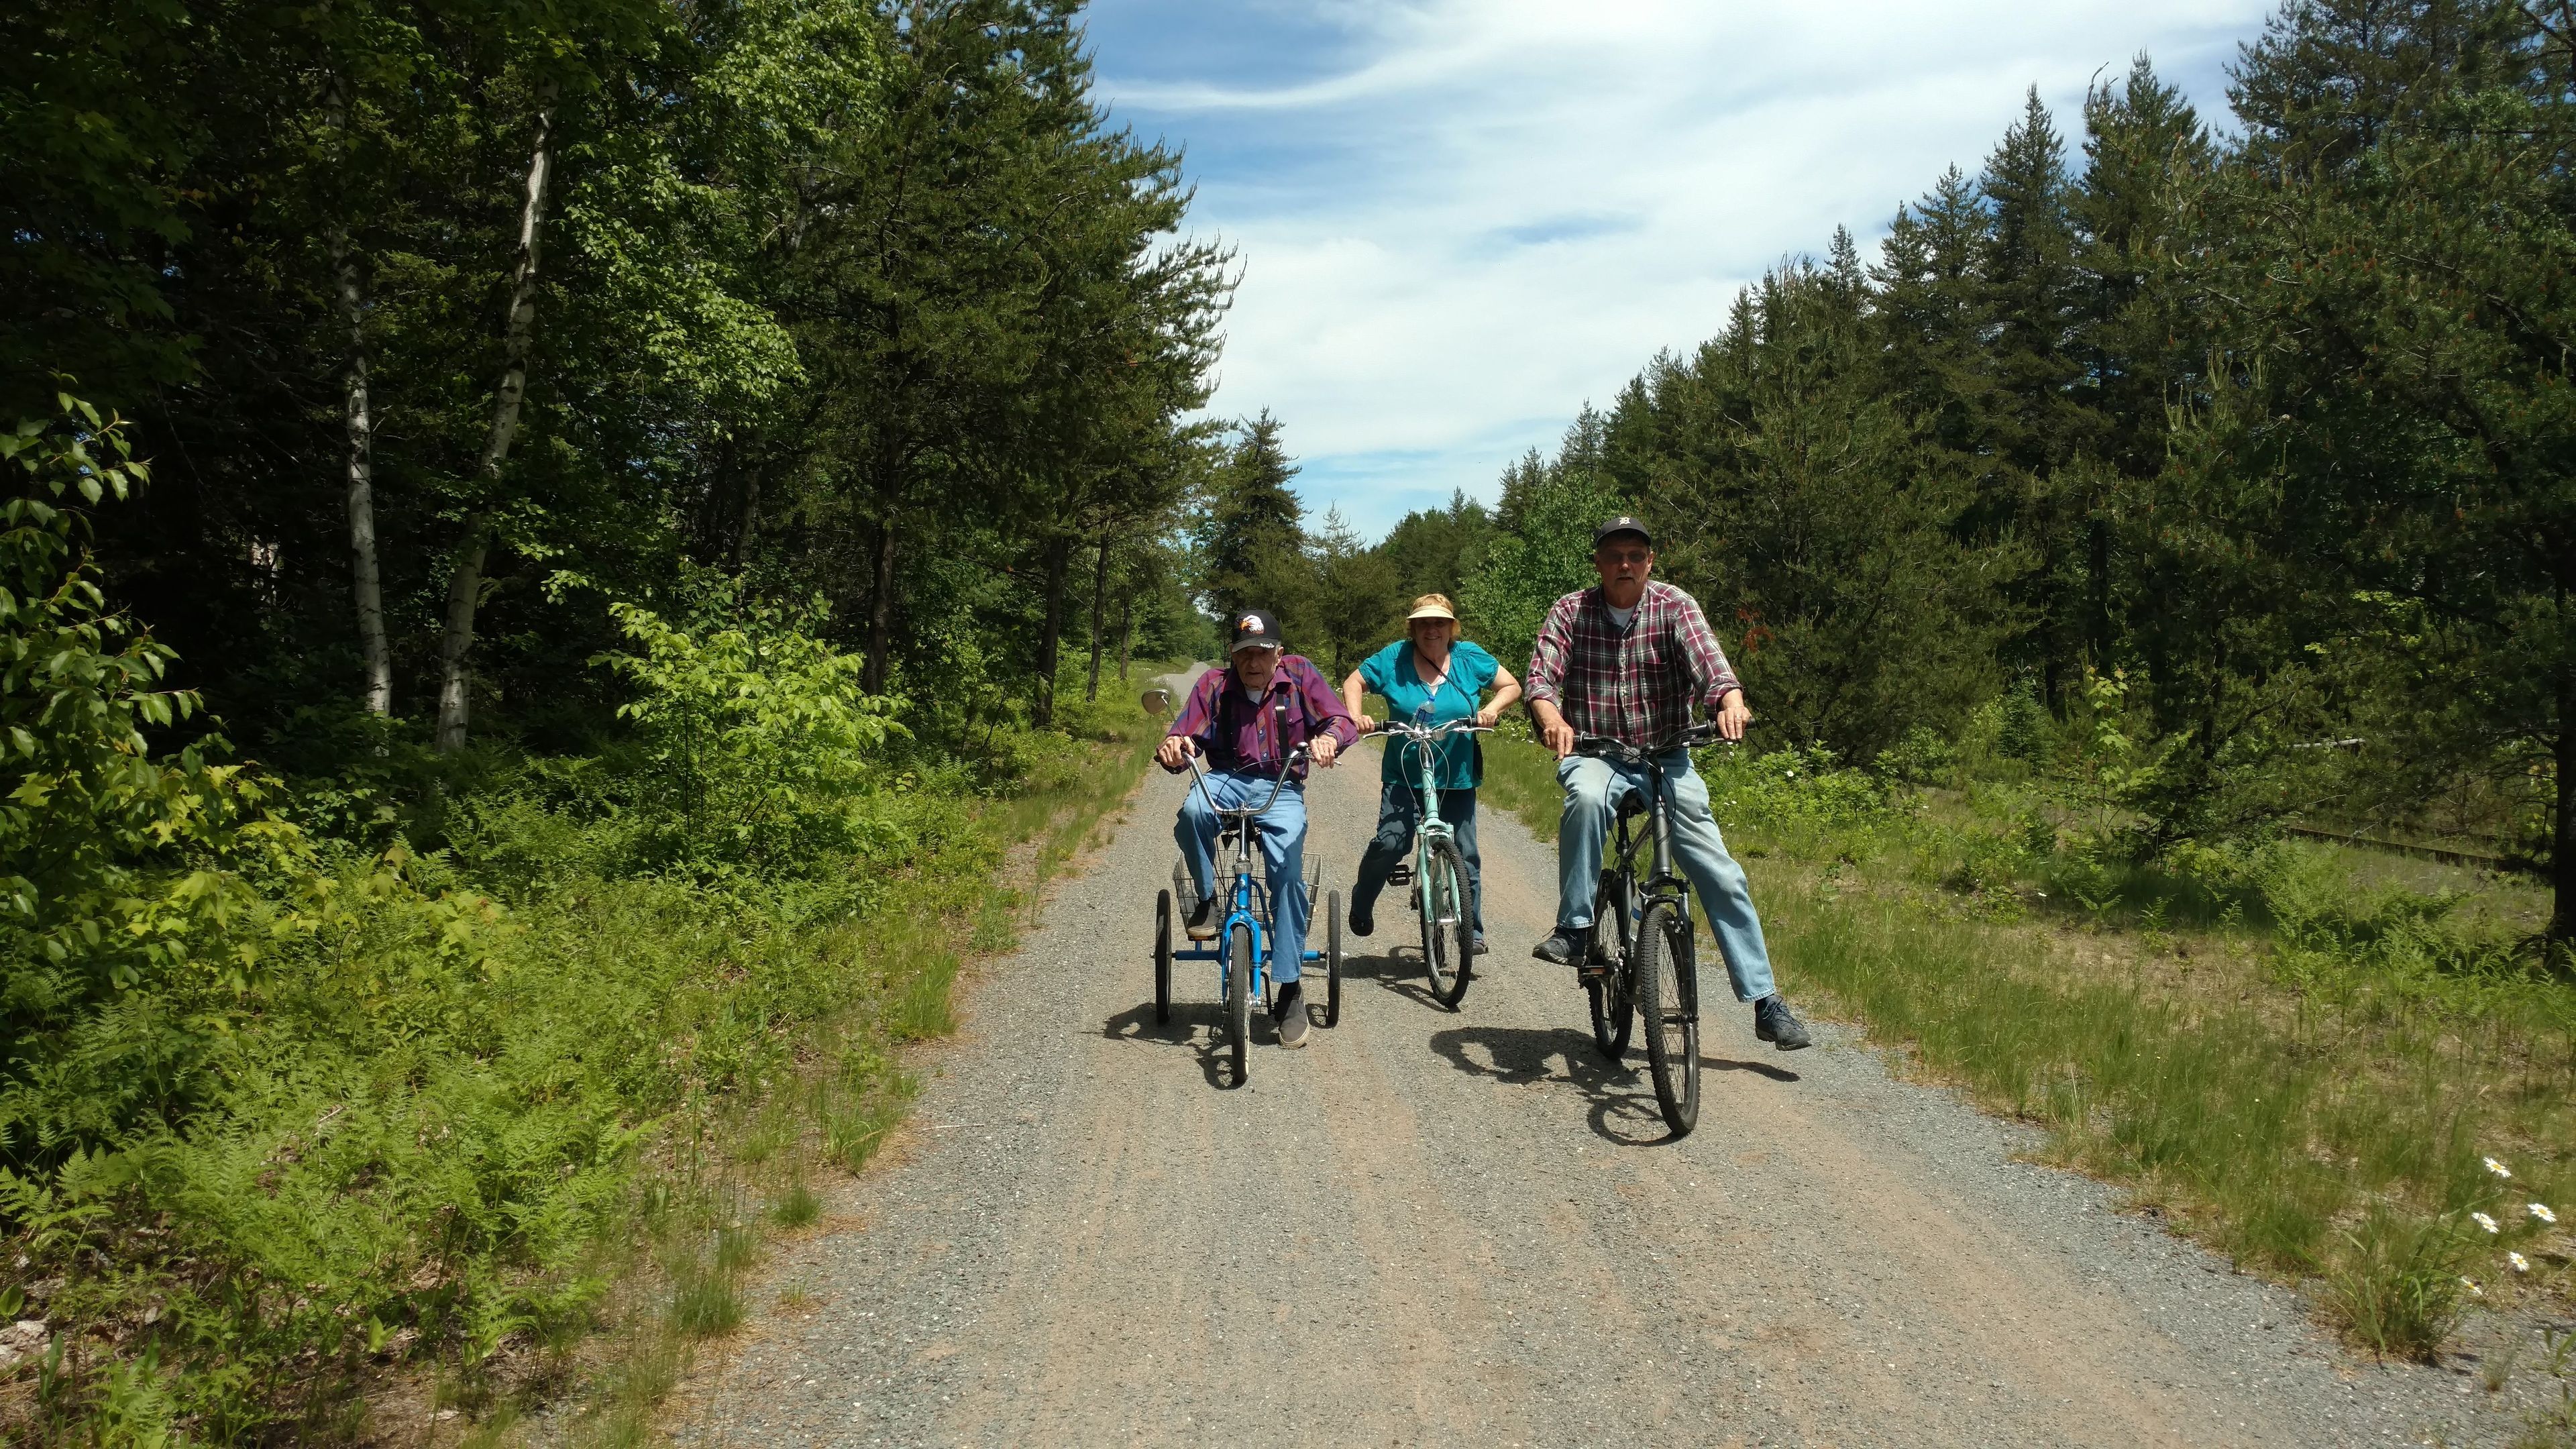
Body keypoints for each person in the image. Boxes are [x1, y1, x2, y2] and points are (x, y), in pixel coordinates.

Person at [1523, 517, 1813, 1051]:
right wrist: (1552, 719)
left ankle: (1766, 1001)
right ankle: (1576, 928)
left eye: (1636, 555)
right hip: (1596, 752)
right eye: (1615, 556)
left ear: (1651, 561)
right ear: (1599, 564)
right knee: (1585, 798)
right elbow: (1542, 678)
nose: (1626, 565)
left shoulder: (1675, 606)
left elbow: (1714, 670)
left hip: (1667, 755)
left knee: (1720, 873)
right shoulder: (1571, 610)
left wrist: (1730, 705)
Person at [1157, 609, 1358, 1049]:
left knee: (1287, 872)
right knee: (1193, 813)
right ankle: (1207, 900)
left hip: (1281, 782)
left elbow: (1341, 720)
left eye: (1262, 652)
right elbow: (1181, 735)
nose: (1253, 661)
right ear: (1232, 655)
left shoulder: (1301, 675)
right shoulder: (1213, 683)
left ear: (1278, 654)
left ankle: (1288, 990)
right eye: (1244, 652)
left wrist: (1329, 739)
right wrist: (1175, 746)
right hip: (1225, 778)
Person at [1340, 594, 1522, 953]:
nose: (1432, 629)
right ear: (1413, 628)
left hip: (1456, 774)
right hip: (1405, 773)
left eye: (1439, 622)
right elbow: (1353, 683)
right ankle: (1362, 900)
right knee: (1391, 842)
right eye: (1424, 623)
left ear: (1451, 627)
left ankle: (1473, 933)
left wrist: (1491, 709)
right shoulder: (1394, 658)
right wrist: (1356, 716)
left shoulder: (1468, 657)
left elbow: (1512, 685)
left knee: (1465, 851)